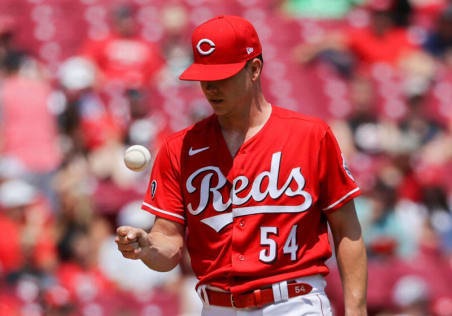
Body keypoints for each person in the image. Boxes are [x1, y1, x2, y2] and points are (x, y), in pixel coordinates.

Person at [116, 15, 367, 316]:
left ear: (254, 69)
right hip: (217, 305)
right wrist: (148, 248)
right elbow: (169, 243)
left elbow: (346, 228)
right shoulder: (179, 148)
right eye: (204, 77)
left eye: (222, 76)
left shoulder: (310, 136)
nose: (210, 87)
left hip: (293, 302)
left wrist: (356, 310)